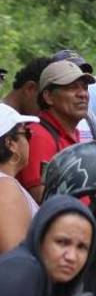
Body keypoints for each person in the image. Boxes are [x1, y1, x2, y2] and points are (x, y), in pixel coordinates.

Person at [18, 61, 95, 202]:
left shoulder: (73, 134)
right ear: (48, 97)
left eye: (85, 88)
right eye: (72, 88)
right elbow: (43, 199)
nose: (83, 94)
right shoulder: (39, 136)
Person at [0, 103, 40, 254]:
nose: (30, 140)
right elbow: (14, 261)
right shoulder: (5, 188)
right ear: (10, 143)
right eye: (27, 133)